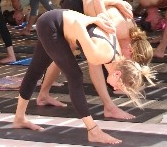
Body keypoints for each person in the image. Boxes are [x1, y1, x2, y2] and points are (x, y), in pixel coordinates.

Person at [12, 8, 154, 145]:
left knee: (35, 71)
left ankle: (19, 118)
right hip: (51, 24)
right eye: (119, 85)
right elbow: (77, 24)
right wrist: (93, 19)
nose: (116, 88)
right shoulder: (101, 54)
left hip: (58, 22)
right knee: (75, 76)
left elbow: (101, 21)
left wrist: (97, 19)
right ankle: (93, 131)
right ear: (118, 74)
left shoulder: (116, 57)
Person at [37, 0, 153, 120]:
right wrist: (115, 2)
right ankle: (109, 107)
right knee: (75, 55)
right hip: (76, 6)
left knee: (69, 53)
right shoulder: (118, 28)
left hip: (88, 11)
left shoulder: (131, 36)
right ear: (130, 50)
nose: (127, 62)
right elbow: (97, 0)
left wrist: (115, 2)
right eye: (130, 60)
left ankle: (43, 94)